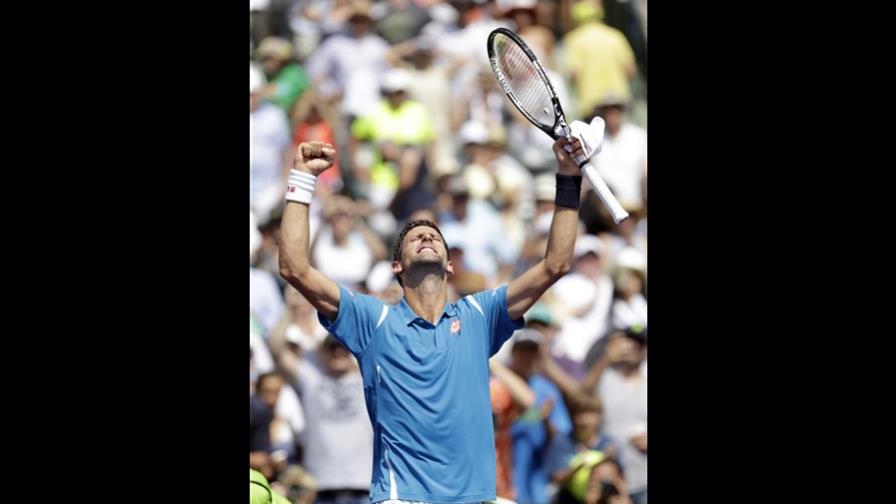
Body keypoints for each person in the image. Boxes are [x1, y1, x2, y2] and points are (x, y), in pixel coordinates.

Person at [278, 131, 589, 502]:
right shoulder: (371, 321)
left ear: (450, 264)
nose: (425, 237)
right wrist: (302, 178)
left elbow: (556, 263)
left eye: (434, 236)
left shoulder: (479, 315)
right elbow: (295, 267)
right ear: (397, 265)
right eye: (414, 237)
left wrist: (569, 174)